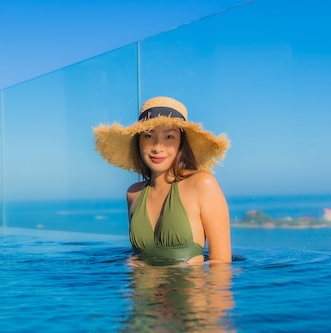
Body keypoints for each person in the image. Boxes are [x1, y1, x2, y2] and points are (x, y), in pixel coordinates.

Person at [94, 96, 231, 265]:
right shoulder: (133, 193)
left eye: (169, 137)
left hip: (190, 290)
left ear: (181, 143)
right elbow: (139, 255)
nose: (157, 147)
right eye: (148, 135)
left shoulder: (202, 184)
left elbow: (222, 263)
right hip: (140, 290)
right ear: (138, 142)